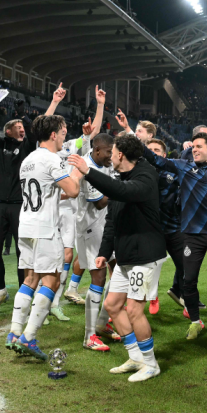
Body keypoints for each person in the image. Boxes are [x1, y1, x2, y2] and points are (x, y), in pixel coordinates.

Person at [70, 134, 167, 382]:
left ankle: (151, 363)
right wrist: (104, 253)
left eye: (112, 153)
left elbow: (123, 192)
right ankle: (135, 357)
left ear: (121, 154)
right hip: (125, 255)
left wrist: (88, 171)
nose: (110, 158)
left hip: (145, 255)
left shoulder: (146, 176)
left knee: (134, 310)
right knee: (113, 306)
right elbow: (111, 221)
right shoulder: (122, 177)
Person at [140, 132, 207, 340]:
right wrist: (134, 137)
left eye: (200, 146)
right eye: (194, 147)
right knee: (188, 280)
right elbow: (155, 159)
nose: (195, 150)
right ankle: (195, 322)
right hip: (192, 235)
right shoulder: (183, 166)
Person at [0, 84, 65, 313]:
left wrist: (45, 106)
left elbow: (38, 128)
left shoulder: (27, 149)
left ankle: (23, 295)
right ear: (7, 131)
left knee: (21, 256)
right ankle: (2, 291)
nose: (21, 129)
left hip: (19, 208)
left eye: (22, 126)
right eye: (16, 126)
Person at [6, 115, 82, 359]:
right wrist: (78, 173)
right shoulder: (51, 159)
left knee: (30, 278)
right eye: (63, 132)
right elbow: (72, 190)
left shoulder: (28, 159)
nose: (64, 137)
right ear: (53, 134)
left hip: (26, 224)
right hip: (45, 228)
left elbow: (45, 193)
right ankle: (29, 338)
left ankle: (14, 333)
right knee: (51, 281)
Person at [56, 87, 105, 311]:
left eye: (66, 127)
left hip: (71, 207)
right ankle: (52, 297)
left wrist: (100, 105)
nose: (64, 130)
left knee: (70, 254)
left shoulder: (74, 146)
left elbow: (92, 134)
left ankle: (60, 296)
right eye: (60, 128)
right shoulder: (46, 152)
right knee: (55, 257)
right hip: (52, 206)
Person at [73, 133, 121, 351]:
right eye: (109, 152)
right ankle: (89, 336)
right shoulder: (87, 167)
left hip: (106, 227)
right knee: (99, 277)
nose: (111, 156)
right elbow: (101, 202)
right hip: (90, 228)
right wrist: (120, 188)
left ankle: (101, 324)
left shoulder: (105, 162)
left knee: (119, 273)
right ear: (97, 150)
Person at [145, 138, 185, 313]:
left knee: (185, 264)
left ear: (163, 154)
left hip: (174, 226)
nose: (153, 152)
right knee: (152, 268)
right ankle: (153, 297)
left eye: (157, 149)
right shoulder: (141, 172)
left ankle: (187, 298)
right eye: (150, 149)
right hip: (151, 229)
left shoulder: (175, 171)